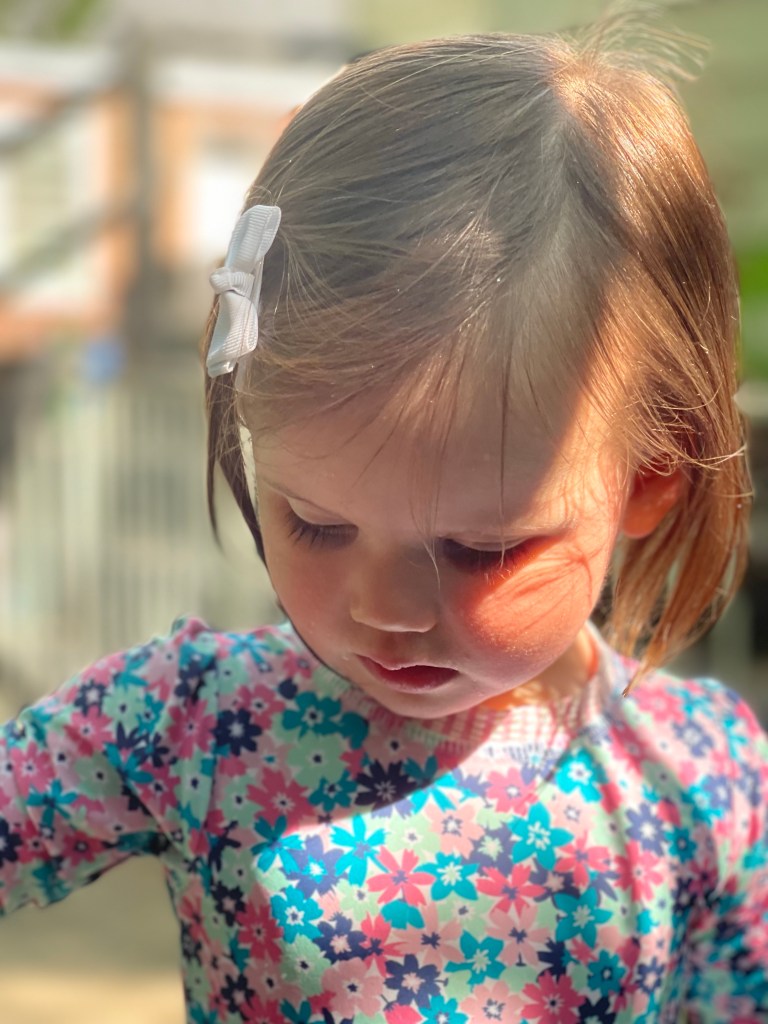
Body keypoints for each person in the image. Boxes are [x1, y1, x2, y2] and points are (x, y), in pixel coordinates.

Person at [1, 14, 767, 1024]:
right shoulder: (194, 723)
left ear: (651, 474)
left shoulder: (701, 781)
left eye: (482, 548)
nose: (386, 609)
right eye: (316, 524)